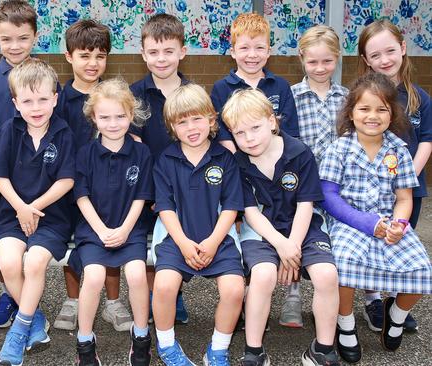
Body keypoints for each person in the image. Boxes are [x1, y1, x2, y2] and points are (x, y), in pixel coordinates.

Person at [221, 88, 340, 366]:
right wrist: (280, 244)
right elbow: (250, 212)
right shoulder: (238, 162)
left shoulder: (299, 153)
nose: (249, 138)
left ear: (272, 121)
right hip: (263, 230)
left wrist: (292, 248)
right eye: (239, 133)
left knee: (326, 275)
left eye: (255, 128)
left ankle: (322, 349)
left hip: (303, 226)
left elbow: (305, 205)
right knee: (262, 275)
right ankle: (254, 351)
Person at [319, 72, 431, 363]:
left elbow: (404, 199)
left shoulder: (400, 152)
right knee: (342, 264)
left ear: (392, 113)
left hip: (388, 221)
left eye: (381, 109)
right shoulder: (339, 148)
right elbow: (329, 197)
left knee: (421, 268)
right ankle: (345, 323)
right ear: (351, 113)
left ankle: (395, 315)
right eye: (364, 109)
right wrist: (367, 224)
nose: (373, 116)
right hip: (348, 222)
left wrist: (400, 224)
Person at [153, 84, 245, 366]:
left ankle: (217, 350)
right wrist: (182, 242)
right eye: (182, 122)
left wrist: (214, 241)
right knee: (165, 286)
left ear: (211, 119)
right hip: (176, 237)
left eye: (197, 119)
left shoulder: (225, 159)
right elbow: (165, 207)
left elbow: (231, 207)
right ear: (172, 126)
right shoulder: (166, 159)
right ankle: (167, 346)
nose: (191, 127)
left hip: (218, 237)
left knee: (234, 289)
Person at [0, 59, 75, 366]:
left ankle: (19, 331)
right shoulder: (7, 131)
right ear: (15, 103)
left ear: (55, 98)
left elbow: (67, 180)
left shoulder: (64, 133)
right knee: (10, 263)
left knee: (34, 261)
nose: (36, 106)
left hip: (51, 217)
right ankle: (35, 318)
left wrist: (35, 208)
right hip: (12, 213)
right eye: (27, 100)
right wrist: (21, 208)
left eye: (43, 98)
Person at [355, 19, 432, 333]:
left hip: (408, 190)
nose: (384, 59)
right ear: (366, 60)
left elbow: (426, 140)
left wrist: (406, 178)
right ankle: (372, 298)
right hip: (368, 189)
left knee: (399, 242)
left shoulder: (419, 98)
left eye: (390, 50)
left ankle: (395, 304)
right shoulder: (363, 96)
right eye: (375, 55)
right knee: (369, 243)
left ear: (402, 48)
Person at [53, 19, 129, 332]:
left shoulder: (113, 97)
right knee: (74, 245)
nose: (93, 63)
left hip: (107, 189)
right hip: (68, 186)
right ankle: (73, 299)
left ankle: (112, 302)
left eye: (100, 56)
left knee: (109, 239)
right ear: (69, 56)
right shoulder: (59, 100)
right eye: (85, 55)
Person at [74, 78, 153, 365]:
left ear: (131, 116)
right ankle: (84, 341)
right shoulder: (85, 154)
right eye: (105, 117)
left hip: (129, 229)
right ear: (94, 118)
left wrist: (123, 230)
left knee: (135, 274)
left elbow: (141, 197)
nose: (113, 123)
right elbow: (81, 197)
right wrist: (103, 231)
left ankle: (141, 337)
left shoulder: (142, 153)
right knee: (94, 277)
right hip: (94, 230)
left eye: (120, 116)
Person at [0, 0, 39, 328]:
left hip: (36, 175)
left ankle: (28, 297)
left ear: (35, 37)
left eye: (23, 38)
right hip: (1, 176)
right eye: (6, 39)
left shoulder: (43, 76)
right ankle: (10, 295)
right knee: (8, 240)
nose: (15, 46)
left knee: (34, 240)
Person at [280, 25, 348, 329]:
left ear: (337, 58)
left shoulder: (347, 98)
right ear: (301, 59)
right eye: (312, 62)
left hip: (336, 186)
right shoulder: (290, 96)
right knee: (297, 233)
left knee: (334, 240)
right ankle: (292, 295)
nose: (320, 68)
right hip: (299, 185)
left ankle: (349, 300)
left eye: (327, 61)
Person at [130, 12, 191, 325]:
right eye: (153, 52)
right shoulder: (135, 95)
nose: (161, 59)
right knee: (148, 245)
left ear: (183, 51)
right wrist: (152, 193)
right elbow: (135, 151)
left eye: (169, 51)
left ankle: (173, 294)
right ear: (143, 54)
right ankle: (158, 297)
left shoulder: (193, 95)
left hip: (185, 191)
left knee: (177, 241)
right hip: (146, 191)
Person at [210, 12, 299, 151]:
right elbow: (222, 134)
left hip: (276, 160)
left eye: (259, 47)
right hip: (236, 164)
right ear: (233, 52)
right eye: (244, 48)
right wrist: (238, 161)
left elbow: (290, 132)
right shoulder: (221, 88)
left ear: (268, 51)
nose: (252, 55)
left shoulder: (281, 86)